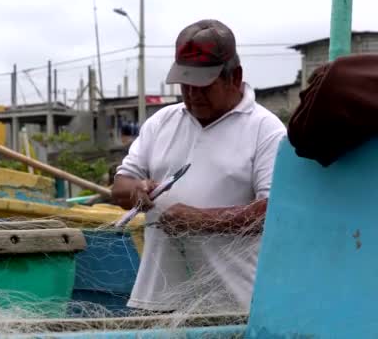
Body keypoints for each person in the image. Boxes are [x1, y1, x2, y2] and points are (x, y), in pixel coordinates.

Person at [111, 19, 287, 313]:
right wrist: (137, 190)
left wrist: (201, 220)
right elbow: (120, 186)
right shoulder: (162, 122)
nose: (192, 95)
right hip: (158, 301)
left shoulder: (266, 130)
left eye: (203, 86)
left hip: (235, 306)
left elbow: (275, 211)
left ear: (235, 77)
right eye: (185, 85)